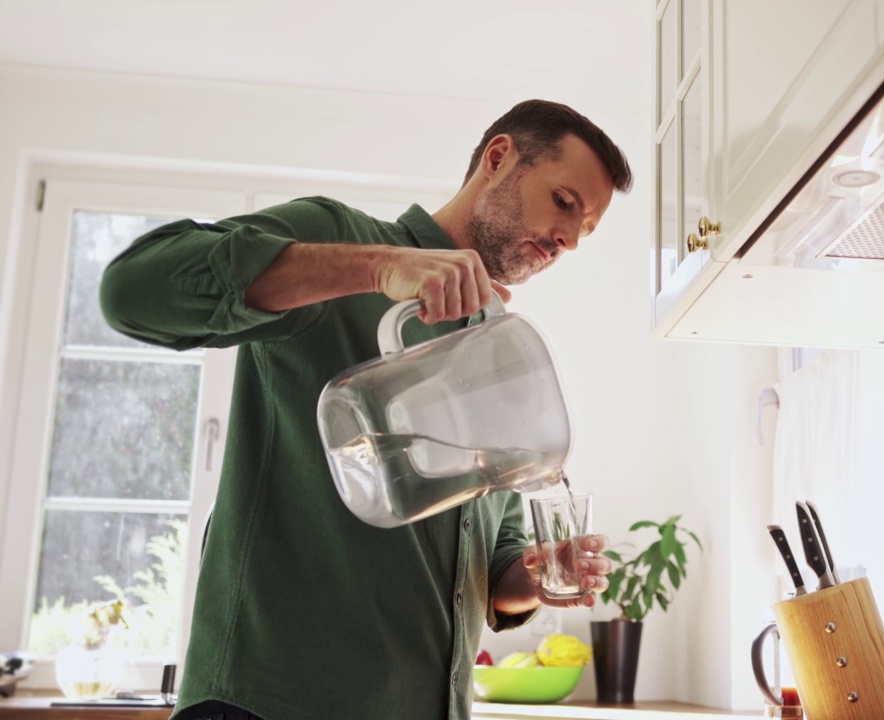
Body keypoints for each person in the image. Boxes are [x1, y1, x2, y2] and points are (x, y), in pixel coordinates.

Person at [99, 99, 633, 720]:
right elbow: (131, 291)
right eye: (564, 201)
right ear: (497, 159)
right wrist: (384, 267)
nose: (566, 239)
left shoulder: (498, 352)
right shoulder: (343, 240)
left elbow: (496, 560)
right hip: (272, 704)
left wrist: (536, 578)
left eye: (583, 231)